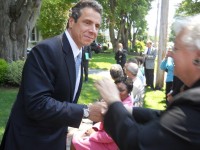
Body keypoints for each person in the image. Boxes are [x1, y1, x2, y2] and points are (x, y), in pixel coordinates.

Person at [0, 1, 104, 150]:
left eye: (97, 26)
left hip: (54, 139)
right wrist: (85, 111)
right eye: (87, 22)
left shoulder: (78, 53)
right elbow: (37, 104)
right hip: (30, 142)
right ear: (71, 22)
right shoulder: (46, 50)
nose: (93, 30)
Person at [94, 14, 200, 150]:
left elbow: (137, 143)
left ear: (197, 56)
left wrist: (113, 101)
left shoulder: (195, 102)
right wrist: (126, 110)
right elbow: (162, 117)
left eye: (176, 48)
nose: (170, 54)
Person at [70, 77, 133, 150]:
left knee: (76, 141)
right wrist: (95, 128)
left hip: (112, 143)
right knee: (78, 136)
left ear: (128, 92)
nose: (117, 93)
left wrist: (93, 134)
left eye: (121, 90)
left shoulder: (126, 109)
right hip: (103, 135)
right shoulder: (116, 101)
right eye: (115, 89)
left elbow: (112, 135)